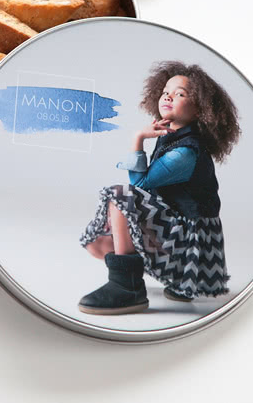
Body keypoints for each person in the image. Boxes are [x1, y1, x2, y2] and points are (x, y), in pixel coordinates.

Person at [78, 61, 241, 315]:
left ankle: (128, 288)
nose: (168, 96)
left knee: (120, 195)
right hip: (177, 228)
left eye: (180, 94)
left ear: (199, 110)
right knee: (98, 244)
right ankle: (162, 276)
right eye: (166, 91)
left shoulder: (186, 152)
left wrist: (138, 139)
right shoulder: (169, 137)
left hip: (191, 242)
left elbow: (138, 186)